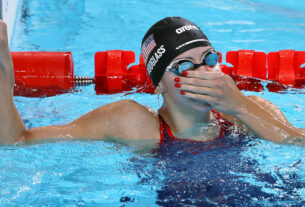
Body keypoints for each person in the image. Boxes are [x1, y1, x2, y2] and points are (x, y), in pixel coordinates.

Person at [0, 17, 304, 146]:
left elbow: (298, 143)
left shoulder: (245, 114)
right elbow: (16, 141)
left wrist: (240, 105)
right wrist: (2, 72)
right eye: (184, 65)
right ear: (158, 84)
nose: (204, 71)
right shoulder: (133, 123)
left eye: (209, 58)